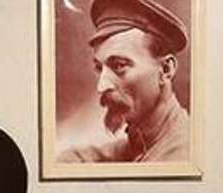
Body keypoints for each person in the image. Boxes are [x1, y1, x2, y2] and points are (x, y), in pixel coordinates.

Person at [58, 0, 190, 163]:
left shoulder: (178, 156)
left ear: (165, 69)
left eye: (119, 65)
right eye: (99, 68)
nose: (101, 86)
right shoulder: (141, 141)